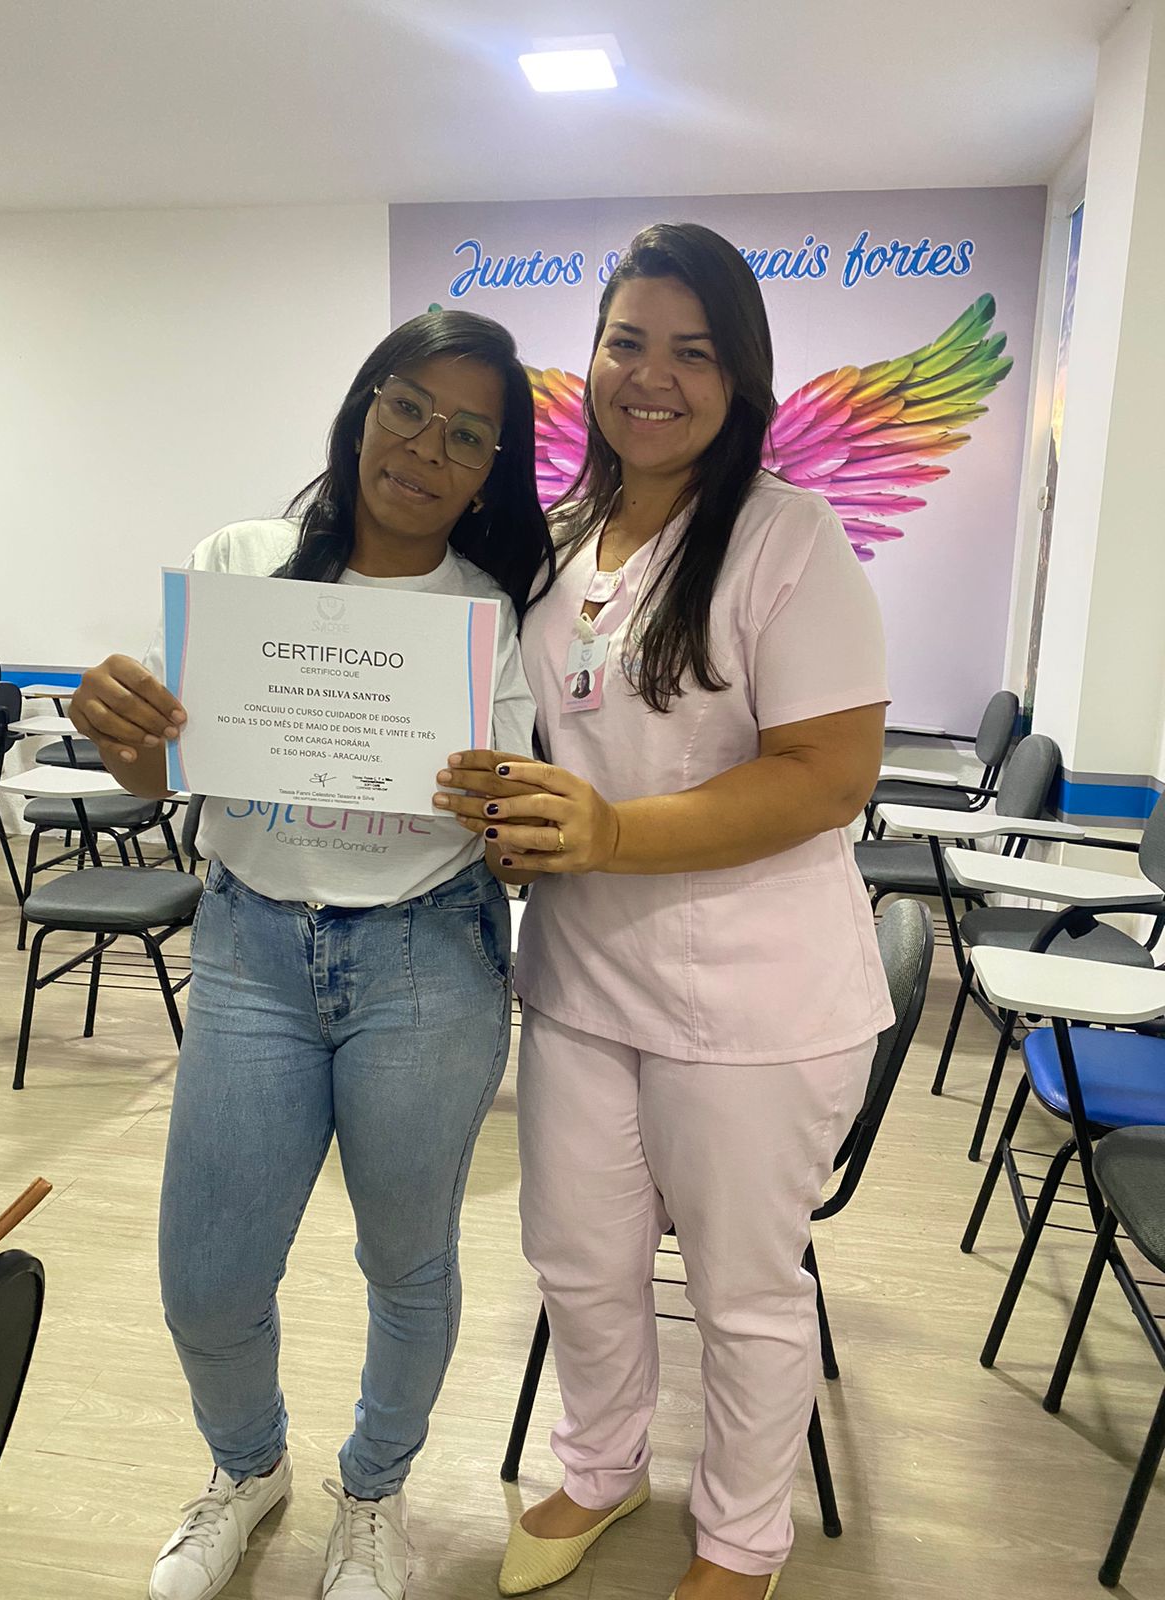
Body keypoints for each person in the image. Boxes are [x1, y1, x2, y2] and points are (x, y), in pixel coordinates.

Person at [434, 224, 893, 1600]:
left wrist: (616, 832)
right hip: (581, 978)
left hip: (754, 994)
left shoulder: (787, 539)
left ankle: (742, 1540)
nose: (653, 376)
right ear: (590, 359)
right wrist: (508, 821)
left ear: (739, 376)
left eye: (693, 352)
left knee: (745, 1290)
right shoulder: (563, 541)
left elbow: (829, 775)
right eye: (628, 342)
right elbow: (548, 740)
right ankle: (601, 1464)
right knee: (578, 1257)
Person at [69, 310, 554, 1600]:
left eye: (469, 435)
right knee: (207, 1275)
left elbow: (517, 844)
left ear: (489, 472)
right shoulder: (243, 563)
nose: (428, 448)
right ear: (361, 411)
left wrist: (508, 820)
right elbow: (163, 772)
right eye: (408, 408)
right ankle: (248, 1469)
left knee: (408, 1261)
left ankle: (375, 1496)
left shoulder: (489, 613)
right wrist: (122, 734)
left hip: (426, 955)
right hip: (250, 948)